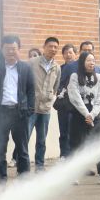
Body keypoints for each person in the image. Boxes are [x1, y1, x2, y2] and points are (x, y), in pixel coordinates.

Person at [0, 35, 35, 185]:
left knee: (22, 149)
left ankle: (23, 179)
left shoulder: (26, 68)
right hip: (0, 113)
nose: (10, 52)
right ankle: (1, 182)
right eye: (7, 49)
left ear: (19, 49)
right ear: (2, 50)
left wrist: (29, 109)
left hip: (19, 113)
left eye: (13, 49)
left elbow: (31, 91)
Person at [67, 50, 100, 185]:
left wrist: (93, 114)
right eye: (88, 60)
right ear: (82, 62)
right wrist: (86, 114)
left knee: (98, 144)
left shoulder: (99, 78)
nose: (91, 63)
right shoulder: (74, 76)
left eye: (93, 60)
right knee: (76, 145)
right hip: (79, 114)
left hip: (95, 114)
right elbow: (74, 97)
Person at [28, 37, 60, 172]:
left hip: (45, 109)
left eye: (55, 47)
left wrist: (50, 98)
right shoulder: (32, 63)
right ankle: (22, 166)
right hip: (31, 107)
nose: (53, 49)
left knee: (41, 140)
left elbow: (55, 87)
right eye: (50, 46)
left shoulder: (57, 67)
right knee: (25, 137)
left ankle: (39, 166)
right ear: (44, 47)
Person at [56, 43, 78, 159]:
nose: (68, 55)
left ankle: (74, 157)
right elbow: (56, 85)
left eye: (70, 52)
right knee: (63, 131)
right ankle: (64, 155)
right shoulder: (60, 69)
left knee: (74, 132)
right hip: (63, 105)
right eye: (65, 53)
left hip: (77, 106)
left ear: (75, 54)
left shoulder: (79, 68)